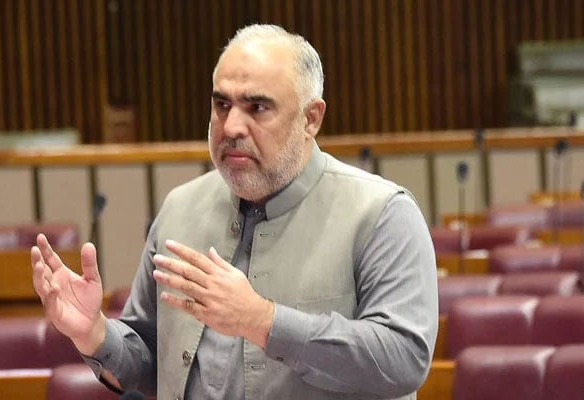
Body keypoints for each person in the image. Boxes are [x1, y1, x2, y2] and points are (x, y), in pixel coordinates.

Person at [32, 23, 438, 400]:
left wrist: (264, 322)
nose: (230, 128)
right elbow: (152, 361)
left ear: (311, 118)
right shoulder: (180, 209)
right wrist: (96, 334)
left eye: (257, 107)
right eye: (222, 105)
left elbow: (404, 358)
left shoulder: (382, 213)